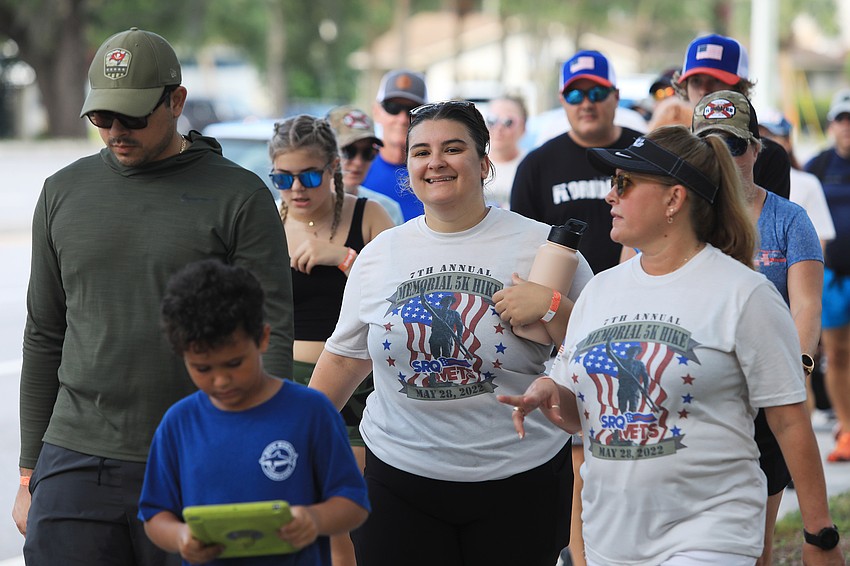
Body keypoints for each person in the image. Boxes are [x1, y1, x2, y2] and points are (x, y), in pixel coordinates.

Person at [500, 126, 844, 566]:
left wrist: (820, 536)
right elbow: (584, 422)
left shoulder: (744, 294)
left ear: (674, 199)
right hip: (613, 539)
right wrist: (555, 395)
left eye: (624, 183)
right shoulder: (600, 293)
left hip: (709, 536)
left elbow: (791, 422)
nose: (610, 196)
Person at [14, 28, 294, 566]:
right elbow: (44, 331)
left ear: (177, 101)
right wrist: (31, 470)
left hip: (202, 454)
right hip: (76, 458)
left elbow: (272, 331)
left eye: (134, 117)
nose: (116, 132)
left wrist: (260, 452)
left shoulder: (238, 196)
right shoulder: (62, 193)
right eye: (102, 118)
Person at [307, 100, 595, 566]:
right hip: (399, 478)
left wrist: (554, 305)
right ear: (408, 166)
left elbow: (596, 344)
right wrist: (295, 434)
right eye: (421, 152)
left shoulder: (544, 248)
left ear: (484, 163)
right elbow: (343, 358)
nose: (435, 161)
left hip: (521, 478)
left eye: (453, 148)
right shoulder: (380, 255)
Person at [138, 259, 369, 566]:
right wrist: (180, 537)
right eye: (203, 368)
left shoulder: (311, 412)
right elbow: (155, 515)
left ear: (262, 338)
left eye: (234, 363)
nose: (221, 380)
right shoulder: (179, 423)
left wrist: (314, 518)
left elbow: (353, 504)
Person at [692, 90, 824, 566]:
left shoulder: (790, 220)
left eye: (733, 144)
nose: (722, 156)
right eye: (708, 146)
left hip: (766, 397)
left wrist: (796, 371)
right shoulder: (683, 219)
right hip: (700, 394)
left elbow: (806, 305)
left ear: (755, 149)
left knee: (757, 546)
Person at [269, 113, 393, 566]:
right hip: (291, 382)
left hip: (359, 384)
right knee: (297, 516)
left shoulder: (368, 215)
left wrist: (343, 257)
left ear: (333, 169)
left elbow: (401, 292)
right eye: (283, 177)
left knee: (348, 516)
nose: (296, 188)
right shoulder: (266, 223)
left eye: (309, 175)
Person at [510, 49, 642, 274]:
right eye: (575, 95)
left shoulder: (644, 153)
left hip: (635, 291)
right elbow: (521, 246)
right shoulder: (537, 164)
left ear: (616, 96)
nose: (586, 104)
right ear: (562, 100)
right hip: (562, 297)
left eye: (597, 93)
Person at [672, 33, 791, 200]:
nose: (704, 89)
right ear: (684, 87)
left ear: (741, 87)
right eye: (696, 80)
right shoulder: (671, 148)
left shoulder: (770, 156)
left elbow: (770, 222)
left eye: (716, 80)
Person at [805, 88, 850, 462]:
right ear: (832, 125)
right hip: (833, 275)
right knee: (836, 354)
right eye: (842, 119)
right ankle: (846, 430)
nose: (848, 127)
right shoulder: (819, 165)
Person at [759, 109, 836, 246]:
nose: (763, 143)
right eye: (759, 136)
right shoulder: (739, 181)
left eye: (771, 136)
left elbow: (819, 239)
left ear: (788, 142)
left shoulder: (808, 183)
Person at [362, 69, 428, 221]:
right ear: (376, 111)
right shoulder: (357, 167)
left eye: (413, 110)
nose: (402, 119)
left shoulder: (435, 171)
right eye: (392, 108)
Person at [327, 105, 404, 225]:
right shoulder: (300, 204)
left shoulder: (387, 210)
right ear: (324, 152)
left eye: (368, 153)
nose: (358, 162)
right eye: (348, 151)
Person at [484, 95, 528, 209]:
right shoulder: (471, 163)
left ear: (523, 127)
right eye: (492, 120)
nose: (499, 128)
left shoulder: (532, 165)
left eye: (508, 122)